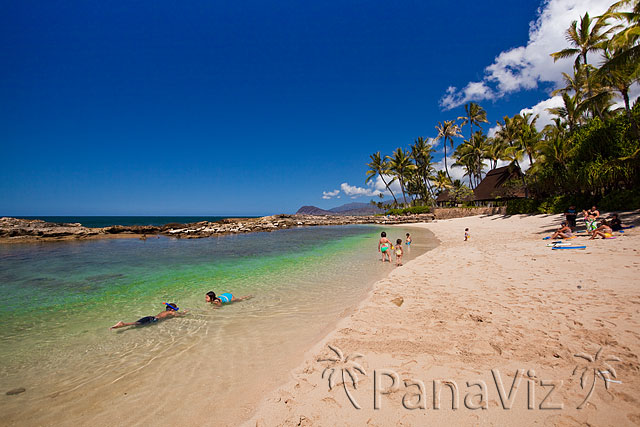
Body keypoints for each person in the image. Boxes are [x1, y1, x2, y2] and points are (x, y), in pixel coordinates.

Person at [110, 303, 186, 329]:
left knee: (136, 323)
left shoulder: (164, 312)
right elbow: (178, 315)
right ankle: (123, 324)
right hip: (153, 320)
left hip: (150, 317)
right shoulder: (171, 313)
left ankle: (123, 325)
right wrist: (184, 313)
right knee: (137, 324)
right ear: (172, 309)